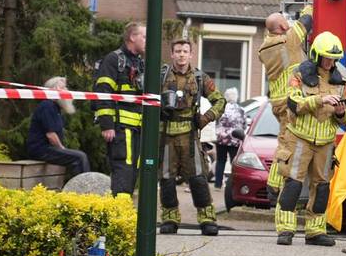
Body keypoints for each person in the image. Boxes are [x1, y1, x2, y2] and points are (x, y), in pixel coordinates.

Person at [275, 31, 346, 247]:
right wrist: (319, 99)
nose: (330, 62)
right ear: (317, 55)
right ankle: (285, 229)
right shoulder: (299, 75)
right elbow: (293, 102)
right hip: (299, 138)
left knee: (322, 187)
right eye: (327, 58)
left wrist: (339, 112)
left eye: (334, 59)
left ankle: (315, 231)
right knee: (292, 184)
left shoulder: (340, 82)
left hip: (326, 142)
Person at [157, 39, 225, 236]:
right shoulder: (161, 76)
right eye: (177, 51)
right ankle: (170, 218)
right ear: (172, 54)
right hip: (166, 135)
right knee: (167, 179)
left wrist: (206, 118)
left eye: (185, 51)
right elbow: (147, 99)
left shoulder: (199, 77)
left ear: (191, 54)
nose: (181, 55)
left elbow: (219, 101)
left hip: (190, 135)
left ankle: (207, 218)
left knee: (198, 179)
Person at [260, 7, 313, 208]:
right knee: (285, 144)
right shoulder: (287, 40)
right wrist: (311, 5)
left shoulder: (265, 46)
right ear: (282, 26)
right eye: (285, 21)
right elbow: (305, 22)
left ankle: (274, 185)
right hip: (289, 103)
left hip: (278, 101)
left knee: (283, 141)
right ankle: (273, 186)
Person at [94, 22, 146, 196]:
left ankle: (123, 211)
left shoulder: (139, 62)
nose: (148, 41)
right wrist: (107, 124)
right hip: (120, 129)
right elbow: (103, 92)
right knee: (123, 169)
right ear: (132, 37)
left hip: (137, 128)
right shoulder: (114, 59)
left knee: (132, 170)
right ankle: (120, 212)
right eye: (144, 37)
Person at [26, 76, 90, 179]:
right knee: (79, 157)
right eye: (63, 88)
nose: (66, 90)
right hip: (40, 150)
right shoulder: (47, 106)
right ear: (54, 90)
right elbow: (51, 135)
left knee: (77, 156)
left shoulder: (55, 107)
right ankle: (84, 189)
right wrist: (62, 149)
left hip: (46, 149)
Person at [214, 88, 246, 190]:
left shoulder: (221, 109)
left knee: (220, 161)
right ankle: (233, 184)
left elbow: (216, 122)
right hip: (235, 139)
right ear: (236, 97)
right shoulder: (241, 110)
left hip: (221, 139)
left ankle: (217, 185)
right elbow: (244, 124)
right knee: (234, 162)